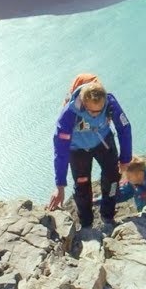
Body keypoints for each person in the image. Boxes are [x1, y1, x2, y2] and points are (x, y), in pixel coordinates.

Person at [48, 77, 132, 230]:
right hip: (78, 149)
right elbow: (60, 150)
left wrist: (125, 160)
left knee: (113, 179)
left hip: (103, 142)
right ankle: (86, 225)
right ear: (84, 102)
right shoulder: (69, 114)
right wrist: (59, 185)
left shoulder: (110, 103)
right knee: (82, 186)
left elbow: (124, 128)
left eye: (100, 110)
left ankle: (108, 217)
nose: (96, 114)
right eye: (92, 111)